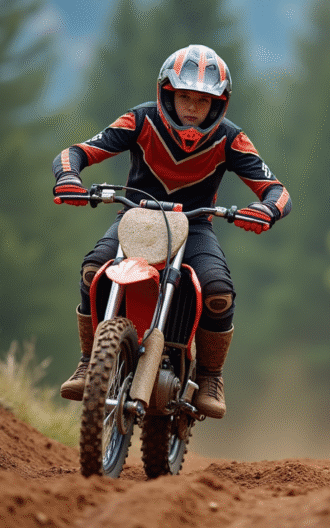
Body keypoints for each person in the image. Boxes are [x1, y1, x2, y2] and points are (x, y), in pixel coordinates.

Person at [52, 44, 291, 418]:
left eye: (202, 99)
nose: (193, 108)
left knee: (218, 294)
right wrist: (69, 176)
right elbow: (77, 152)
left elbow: (276, 190)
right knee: (92, 271)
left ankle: (211, 376)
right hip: (135, 218)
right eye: (184, 97)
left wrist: (265, 209)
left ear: (218, 103)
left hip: (194, 227)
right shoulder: (139, 121)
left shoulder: (230, 138)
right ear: (168, 93)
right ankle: (88, 361)